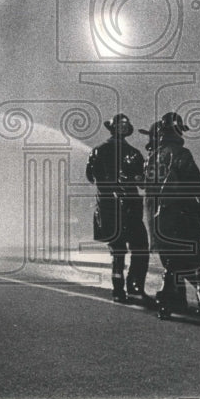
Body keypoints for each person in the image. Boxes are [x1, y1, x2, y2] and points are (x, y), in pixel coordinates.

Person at [146, 112, 200, 321]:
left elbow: (150, 195)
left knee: (173, 265)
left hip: (160, 222)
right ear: (178, 131)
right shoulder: (181, 154)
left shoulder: (152, 159)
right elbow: (197, 185)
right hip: (182, 221)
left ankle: (166, 304)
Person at [86, 113, 150, 302]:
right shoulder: (134, 153)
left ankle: (119, 290)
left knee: (118, 250)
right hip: (129, 208)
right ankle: (134, 286)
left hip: (109, 209)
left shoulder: (98, 151)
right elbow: (143, 183)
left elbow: (91, 177)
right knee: (140, 248)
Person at [141, 121, 188, 312]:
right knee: (178, 257)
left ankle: (176, 298)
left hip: (155, 212)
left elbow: (146, 186)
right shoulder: (178, 154)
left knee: (168, 256)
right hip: (174, 212)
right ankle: (172, 298)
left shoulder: (152, 158)